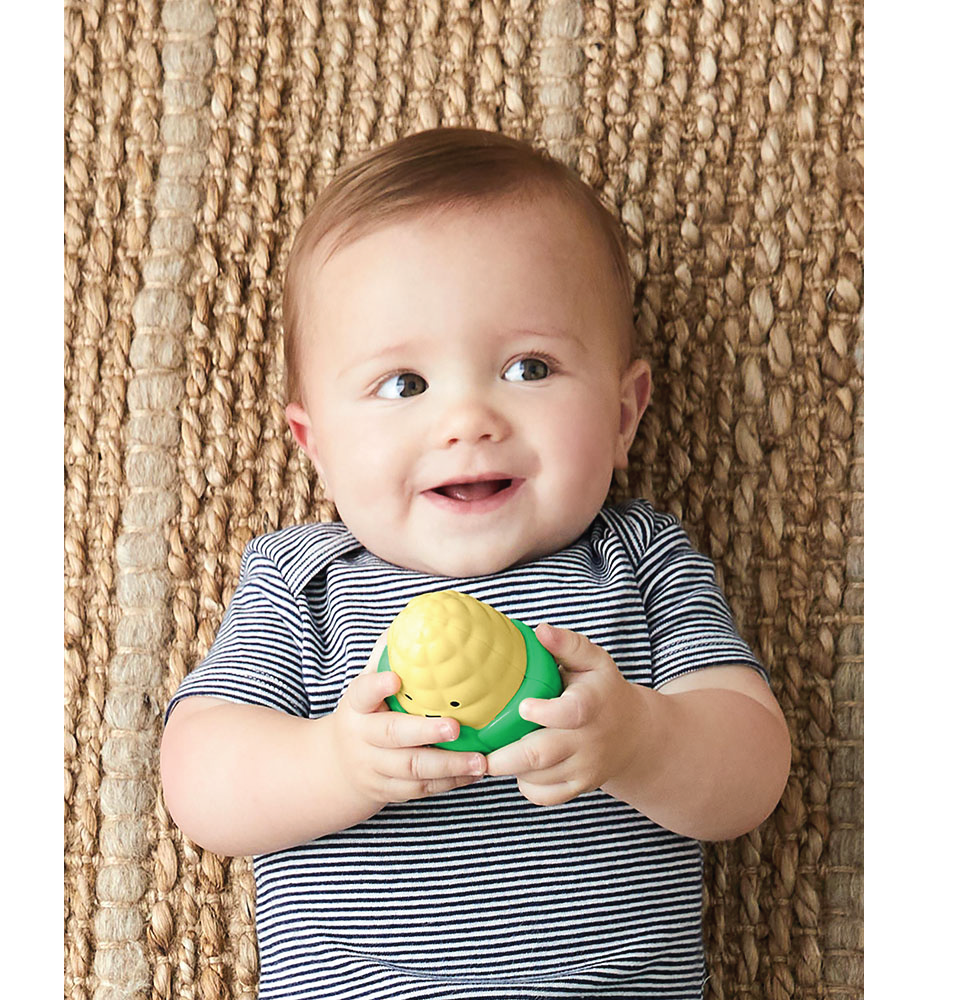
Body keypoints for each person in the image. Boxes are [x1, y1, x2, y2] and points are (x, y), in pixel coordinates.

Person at [160, 128, 791, 1000]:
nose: (468, 420)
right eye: (403, 385)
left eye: (528, 368)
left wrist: (642, 739)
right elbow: (198, 780)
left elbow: (753, 768)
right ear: (317, 445)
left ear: (623, 413)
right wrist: (333, 763)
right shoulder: (302, 580)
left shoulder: (640, 557)